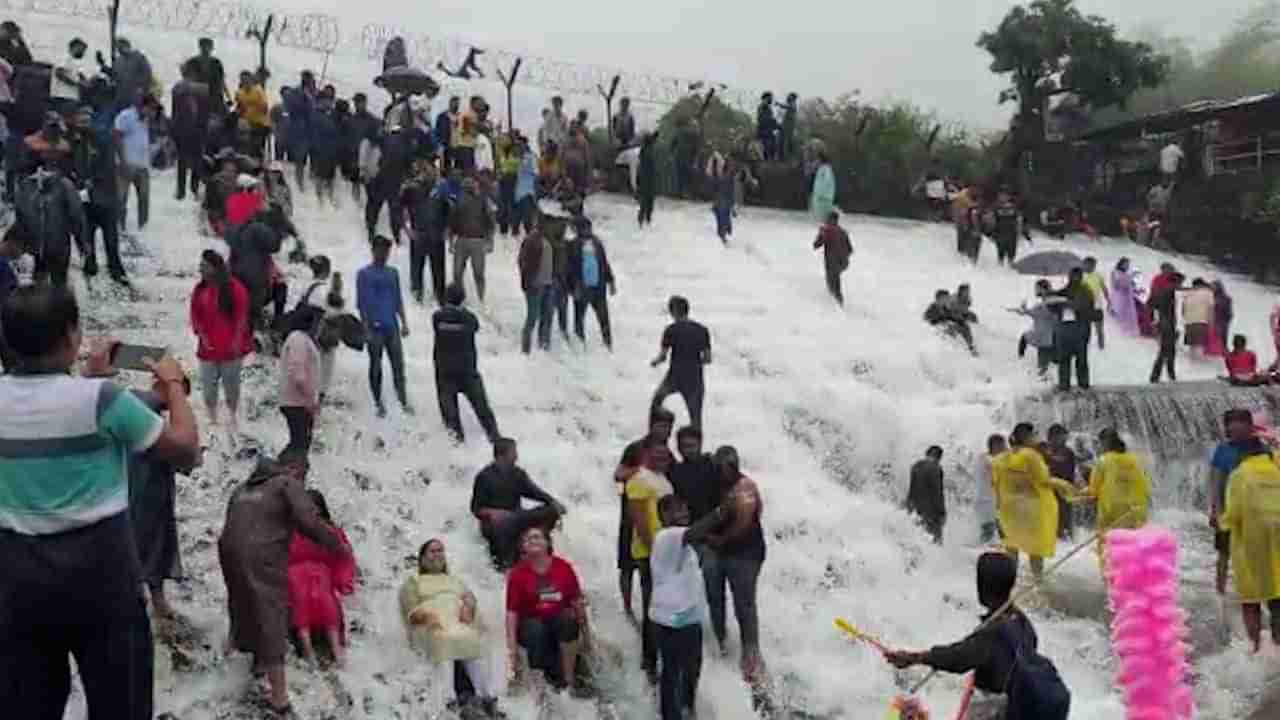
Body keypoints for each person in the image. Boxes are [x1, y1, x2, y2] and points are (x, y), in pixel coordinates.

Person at [0, 284, 199, 720]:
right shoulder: (102, 401)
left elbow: (44, 406)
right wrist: (174, 386)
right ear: (71, 336)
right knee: (120, 703)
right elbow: (185, 449)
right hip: (101, 580)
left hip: (18, 581)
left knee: (26, 705)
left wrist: (87, 376)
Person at [219, 452, 349, 714]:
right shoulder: (286, 484)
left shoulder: (241, 490)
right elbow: (309, 520)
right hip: (262, 554)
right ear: (289, 468)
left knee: (242, 604)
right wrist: (336, 545)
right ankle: (279, 698)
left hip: (228, 551)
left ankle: (244, 665)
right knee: (271, 613)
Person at [884, 553, 1071, 719]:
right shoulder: (1021, 621)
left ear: (983, 585)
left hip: (998, 711)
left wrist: (913, 658)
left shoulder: (992, 633)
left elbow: (957, 659)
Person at [400, 539, 505, 716]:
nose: (437, 555)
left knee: (471, 638)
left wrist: (469, 606)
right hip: (430, 627)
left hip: (455, 623)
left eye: (440, 551)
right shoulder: (413, 581)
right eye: (432, 551)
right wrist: (426, 616)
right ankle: (447, 701)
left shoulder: (455, 580)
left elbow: (470, 599)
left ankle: (486, 697)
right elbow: (410, 610)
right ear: (423, 558)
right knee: (444, 640)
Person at [650, 494, 729, 720]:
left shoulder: (683, 544)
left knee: (692, 669)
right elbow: (695, 531)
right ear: (664, 516)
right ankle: (671, 715)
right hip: (671, 620)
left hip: (689, 618)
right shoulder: (667, 536)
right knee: (672, 673)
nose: (684, 513)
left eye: (685, 509)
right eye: (678, 510)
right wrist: (722, 511)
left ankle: (687, 709)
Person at [128, 390, 195, 620]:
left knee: (148, 551)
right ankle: (152, 600)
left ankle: (154, 599)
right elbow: (190, 460)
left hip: (148, 506)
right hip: (146, 507)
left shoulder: (131, 438)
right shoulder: (151, 439)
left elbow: (187, 461)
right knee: (151, 551)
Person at [704, 446, 767, 682]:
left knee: (744, 603)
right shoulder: (716, 483)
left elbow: (744, 522)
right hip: (721, 551)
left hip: (745, 553)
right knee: (715, 597)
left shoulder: (745, 487)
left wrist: (719, 539)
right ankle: (721, 642)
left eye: (728, 468)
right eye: (719, 468)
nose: (723, 472)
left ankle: (751, 653)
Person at [505, 526, 587, 691]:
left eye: (537, 537)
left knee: (568, 621)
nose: (533, 541)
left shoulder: (563, 567)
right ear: (523, 547)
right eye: (528, 539)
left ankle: (568, 678)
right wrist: (512, 648)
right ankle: (539, 684)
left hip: (557, 619)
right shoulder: (517, 574)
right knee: (536, 630)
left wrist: (587, 637)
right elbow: (511, 613)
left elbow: (577, 601)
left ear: (547, 542)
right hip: (531, 623)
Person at [1219, 435, 1280, 653]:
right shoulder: (1276, 470)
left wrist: (1221, 523)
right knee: (1277, 598)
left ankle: (1255, 648)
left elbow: (1233, 513)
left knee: (1251, 600)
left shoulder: (1240, 475)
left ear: (1242, 454)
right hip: (1277, 547)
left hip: (1250, 548)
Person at [615, 409, 675, 623]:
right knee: (626, 565)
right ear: (651, 426)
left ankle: (650, 611)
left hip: (657, 519)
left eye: (667, 426)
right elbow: (618, 475)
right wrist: (639, 473)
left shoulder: (668, 452)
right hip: (631, 514)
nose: (664, 430)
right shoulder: (636, 448)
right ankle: (627, 607)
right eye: (660, 425)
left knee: (647, 573)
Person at [995, 423, 1075, 579]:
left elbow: (997, 482)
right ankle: (1037, 581)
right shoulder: (1030, 456)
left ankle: (1012, 581)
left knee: (1012, 546)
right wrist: (1064, 485)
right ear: (1026, 436)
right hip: (1031, 509)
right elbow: (1044, 480)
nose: (1036, 438)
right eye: (1034, 435)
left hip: (1010, 509)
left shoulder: (1002, 457)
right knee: (1035, 549)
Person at [471, 438, 566, 568]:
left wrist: (553, 502)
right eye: (514, 452)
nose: (516, 456)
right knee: (507, 523)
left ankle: (546, 558)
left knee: (551, 510)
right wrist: (493, 512)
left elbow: (534, 492)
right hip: (495, 525)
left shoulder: (517, 473)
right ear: (502, 455)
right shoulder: (484, 476)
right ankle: (506, 566)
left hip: (517, 517)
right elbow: (476, 508)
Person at [287, 489, 355, 666]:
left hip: (321, 574)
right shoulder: (287, 531)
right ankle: (307, 648)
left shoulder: (329, 531)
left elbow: (344, 557)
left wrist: (343, 582)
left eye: (314, 508)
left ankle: (336, 648)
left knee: (327, 602)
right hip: (295, 576)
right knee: (300, 600)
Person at [627, 446, 676, 683]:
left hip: (667, 551)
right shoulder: (639, 480)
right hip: (649, 553)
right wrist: (654, 549)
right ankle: (649, 661)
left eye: (664, 456)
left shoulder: (663, 481)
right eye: (655, 455)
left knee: (664, 605)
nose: (660, 459)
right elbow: (638, 520)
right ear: (647, 456)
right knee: (652, 607)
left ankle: (662, 656)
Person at [66, 106, 129, 285]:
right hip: (86, 203)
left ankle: (118, 278)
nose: (83, 125)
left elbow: (108, 167)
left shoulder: (103, 139)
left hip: (106, 201)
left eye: (86, 121)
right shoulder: (74, 141)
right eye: (80, 121)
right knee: (88, 248)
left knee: (112, 245)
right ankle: (90, 281)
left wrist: (91, 180)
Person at [191, 250, 251, 432]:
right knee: (209, 390)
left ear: (215, 268)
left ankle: (233, 420)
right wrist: (202, 336)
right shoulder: (200, 289)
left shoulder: (235, 289)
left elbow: (242, 318)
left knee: (231, 389)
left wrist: (236, 342)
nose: (200, 268)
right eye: (200, 265)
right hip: (207, 351)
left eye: (204, 266)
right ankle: (213, 421)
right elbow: (195, 316)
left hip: (231, 353)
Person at [432, 284, 500, 443]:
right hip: (467, 370)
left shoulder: (437, 317)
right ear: (463, 299)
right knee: (482, 409)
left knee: (450, 415)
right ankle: (495, 438)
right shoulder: (469, 318)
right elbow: (475, 327)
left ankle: (457, 443)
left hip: (445, 371)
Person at [357, 235, 410, 417]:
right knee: (376, 366)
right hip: (374, 327)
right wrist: (365, 328)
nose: (384, 254)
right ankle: (378, 403)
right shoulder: (364, 274)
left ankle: (403, 401)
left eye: (387, 251)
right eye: (381, 250)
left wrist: (404, 323)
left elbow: (398, 299)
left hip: (392, 326)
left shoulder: (393, 273)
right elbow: (361, 303)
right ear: (373, 250)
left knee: (398, 366)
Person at [1210, 409, 1255, 596]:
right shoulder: (1223, 450)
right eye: (1232, 424)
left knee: (1253, 553)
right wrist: (1215, 511)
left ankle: (1252, 590)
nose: (1235, 428)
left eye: (1240, 423)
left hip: (1255, 511)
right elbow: (1216, 482)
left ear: (1249, 426)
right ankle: (1220, 592)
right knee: (1224, 553)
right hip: (1228, 510)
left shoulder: (1261, 448)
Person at [651, 296, 711, 429]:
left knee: (657, 401)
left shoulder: (671, 330)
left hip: (674, 377)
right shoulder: (702, 330)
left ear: (673, 311)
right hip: (695, 379)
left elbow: (662, 357)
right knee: (696, 419)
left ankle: (655, 433)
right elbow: (707, 359)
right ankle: (696, 445)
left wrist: (654, 362)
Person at [1084, 428, 1150, 544]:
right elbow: (1144, 485)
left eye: (1099, 443)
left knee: (1109, 551)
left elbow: (1093, 491)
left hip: (1111, 514)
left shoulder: (1102, 461)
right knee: (1131, 549)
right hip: (1134, 512)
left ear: (1104, 442)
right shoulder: (1134, 460)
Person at [403, 161, 451, 305]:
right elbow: (403, 209)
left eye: (432, 170)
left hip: (436, 234)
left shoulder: (441, 190)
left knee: (438, 268)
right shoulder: (412, 188)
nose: (429, 173)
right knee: (417, 266)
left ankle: (440, 295)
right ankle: (417, 293)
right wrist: (407, 229)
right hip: (419, 233)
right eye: (426, 170)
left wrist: (447, 230)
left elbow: (448, 211)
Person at [566, 217, 616, 350]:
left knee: (603, 317)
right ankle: (581, 345)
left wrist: (611, 281)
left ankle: (608, 344)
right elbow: (570, 269)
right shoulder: (573, 245)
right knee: (579, 318)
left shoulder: (597, 242)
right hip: (582, 287)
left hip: (598, 287)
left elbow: (604, 263)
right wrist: (572, 288)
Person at [279, 305, 322, 454]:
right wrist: (310, 401)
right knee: (299, 445)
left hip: (298, 402)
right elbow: (298, 375)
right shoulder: (298, 340)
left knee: (299, 444)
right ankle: (282, 472)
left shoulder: (300, 339)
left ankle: (284, 471)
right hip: (297, 403)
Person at [113, 93, 156, 233]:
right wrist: (123, 161)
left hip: (142, 166)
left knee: (144, 199)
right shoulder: (126, 116)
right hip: (125, 164)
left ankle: (143, 230)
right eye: (150, 108)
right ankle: (120, 230)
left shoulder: (147, 120)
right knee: (121, 199)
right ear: (142, 106)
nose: (152, 112)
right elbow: (116, 137)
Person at [450, 175, 495, 302]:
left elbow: (490, 221)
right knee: (457, 273)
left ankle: (481, 299)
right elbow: (452, 221)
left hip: (477, 240)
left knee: (478, 273)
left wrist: (490, 241)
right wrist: (451, 240)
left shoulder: (482, 200)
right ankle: (460, 298)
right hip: (463, 239)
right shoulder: (458, 202)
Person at [172, 66, 212, 201]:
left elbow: (175, 111)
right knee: (197, 159)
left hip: (184, 128)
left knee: (183, 160)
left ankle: (182, 190)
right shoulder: (203, 88)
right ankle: (193, 188)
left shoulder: (178, 87)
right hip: (197, 129)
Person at [1052, 268, 1095, 392]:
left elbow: (1085, 307)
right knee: (1064, 359)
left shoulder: (1086, 291)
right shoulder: (1063, 291)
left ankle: (1083, 385)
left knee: (1081, 360)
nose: (1074, 279)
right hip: (1064, 330)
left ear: (1080, 277)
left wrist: (1069, 303)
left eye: (1076, 277)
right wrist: (1052, 296)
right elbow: (1052, 307)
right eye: (1072, 276)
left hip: (1079, 329)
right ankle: (1064, 386)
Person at [1013, 279, 1063, 377]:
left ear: (1043, 289)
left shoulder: (1050, 303)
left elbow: (1042, 312)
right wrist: (1023, 310)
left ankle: (1020, 361)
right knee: (1047, 366)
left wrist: (1024, 310)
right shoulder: (1046, 303)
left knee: (1045, 365)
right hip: (1046, 337)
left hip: (1046, 338)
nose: (1035, 291)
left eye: (1037, 288)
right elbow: (1033, 312)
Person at [518, 227, 555, 354]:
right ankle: (526, 348)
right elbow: (522, 261)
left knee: (547, 316)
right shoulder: (531, 240)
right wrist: (528, 280)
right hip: (535, 285)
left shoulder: (551, 239)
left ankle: (544, 346)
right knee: (532, 317)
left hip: (549, 284)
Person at [1043, 424, 1079, 541]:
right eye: (1061, 437)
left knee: (1065, 525)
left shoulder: (1067, 452)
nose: (1065, 439)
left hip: (1064, 495)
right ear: (1051, 437)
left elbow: (1061, 464)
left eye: (1064, 437)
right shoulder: (1045, 452)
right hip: (1048, 495)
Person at [1149, 271, 1184, 383]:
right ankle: (1157, 376)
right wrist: (1157, 322)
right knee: (1165, 351)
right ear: (1175, 282)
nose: (1180, 286)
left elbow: (1151, 305)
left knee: (1169, 351)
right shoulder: (1167, 292)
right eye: (1180, 283)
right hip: (1166, 325)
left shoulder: (1168, 291)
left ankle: (1169, 374)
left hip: (1168, 324)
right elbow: (1153, 305)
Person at [906, 446, 946, 543]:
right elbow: (938, 492)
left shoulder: (916, 466)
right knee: (935, 541)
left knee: (917, 539)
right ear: (939, 457)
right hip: (931, 511)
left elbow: (911, 489)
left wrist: (909, 507)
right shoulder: (936, 468)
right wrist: (942, 512)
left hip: (915, 508)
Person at [813, 211, 853, 305]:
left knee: (832, 285)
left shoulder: (827, 230)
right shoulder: (843, 232)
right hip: (843, 262)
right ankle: (838, 305)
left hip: (832, 263)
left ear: (831, 219)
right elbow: (850, 250)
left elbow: (816, 245)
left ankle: (836, 308)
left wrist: (820, 233)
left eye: (827, 219)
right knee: (836, 284)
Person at [925, 289, 976, 355]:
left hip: (948, 326)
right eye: (943, 298)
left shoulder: (947, 307)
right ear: (938, 299)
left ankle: (970, 347)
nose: (946, 300)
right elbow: (927, 319)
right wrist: (938, 322)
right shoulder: (933, 308)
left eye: (947, 298)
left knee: (964, 327)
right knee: (951, 329)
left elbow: (954, 316)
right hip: (938, 329)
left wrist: (961, 319)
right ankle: (956, 349)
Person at [975, 435, 1006, 544]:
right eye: (1003, 445)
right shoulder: (987, 460)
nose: (1005, 448)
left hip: (989, 503)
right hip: (986, 503)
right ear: (995, 446)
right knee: (989, 533)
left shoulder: (982, 458)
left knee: (1003, 533)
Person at [183, 38, 228, 111]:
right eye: (204, 46)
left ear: (212, 48)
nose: (206, 49)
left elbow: (222, 81)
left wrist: (228, 97)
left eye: (209, 46)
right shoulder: (192, 62)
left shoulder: (216, 63)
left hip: (214, 96)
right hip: (197, 96)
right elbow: (187, 80)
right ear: (200, 47)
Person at [111, 39, 153, 115]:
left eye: (121, 47)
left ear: (128, 46)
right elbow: (115, 77)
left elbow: (148, 74)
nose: (119, 50)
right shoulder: (118, 61)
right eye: (118, 48)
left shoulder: (139, 57)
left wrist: (142, 89)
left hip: (136, 97)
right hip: (122, 97)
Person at [50, 38, 91, 115]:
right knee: (65, 121)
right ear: (75, 47)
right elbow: (59, 73)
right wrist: (77, 83)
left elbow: (76, 75)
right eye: (82, 50)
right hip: (63, 97)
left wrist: (84, 80)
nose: (83, 53)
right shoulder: (65, 57)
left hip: (70, 98)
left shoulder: (72, 61)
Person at [234, 71, 270, 159]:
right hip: (247, 124)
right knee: (248, 147)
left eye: (246, 80)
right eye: (243, 80)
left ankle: (260, 162)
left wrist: (255, 107)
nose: (245, 82)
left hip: (260, 124)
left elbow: (265, 107)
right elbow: (239, 108)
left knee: (257, 147)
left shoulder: (258, 90)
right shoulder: (239, 93)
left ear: (251, 80)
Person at [1080, 257, 1109, 350]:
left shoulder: (1098, 275)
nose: (1092, 267)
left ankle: (1102, 348)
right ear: (1084, 264)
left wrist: (1109, 301)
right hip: (1084, 307)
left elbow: (1104, 289)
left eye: (1093, 265)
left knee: (1099, 330)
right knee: (1084, 330)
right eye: (1089, 265)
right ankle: (1084, 347)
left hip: (1097, 307)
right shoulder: (1080, 276)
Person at [1182, 278, 1214, 358]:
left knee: (1192, 347)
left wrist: (1186, 319)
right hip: (1201, 322)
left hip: (1188, 323)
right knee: (1200, 346)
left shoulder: (1187, 294)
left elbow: (1183, 310)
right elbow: (1211, 308)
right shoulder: (1208, 293)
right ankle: (1199, 366)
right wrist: (1211, 323)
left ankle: (1191, 365)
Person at [1109, 257, 1139, 337]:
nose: (1127, 266)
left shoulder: (1126, 274)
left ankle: (1130, 332)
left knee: (1129, 316)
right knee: (1120, 316)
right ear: (1121, 264)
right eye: (1125, 264)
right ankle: (1121, 333)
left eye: (1128, 264)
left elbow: (1131, 285)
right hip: (1119, 297)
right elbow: (1116, 285)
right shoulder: (1115, 272)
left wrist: (1135, 288)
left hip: (1128, 298)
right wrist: (1126, 281)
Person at [637, 131, 658, 227]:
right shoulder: (647, 151)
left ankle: (643, 222)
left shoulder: (645, 150)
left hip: (645, 180)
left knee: (646, 203)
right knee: (647, 203)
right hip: (647, 181)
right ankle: (644, 221)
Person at [809, 149, 835, 222]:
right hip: (821, 198)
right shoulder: (822, 169)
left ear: (820, 160)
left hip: (823, 199)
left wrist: (819, 195)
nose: (815, 162)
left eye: (816, 160)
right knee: (821, 220)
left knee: (823, 220)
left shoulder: (825, 169)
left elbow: (826, 183)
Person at [435, 97, 459, 170]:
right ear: (450, 104)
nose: (455, 105)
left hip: (457, 146)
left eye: (457, 104)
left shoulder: (460, 117)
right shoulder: (442, 117)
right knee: (445, 167)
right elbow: (437, 131)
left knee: (456, 167)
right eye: (454, 103)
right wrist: (439, 144)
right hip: (445, 145)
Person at [1213, 280, 1234, 357]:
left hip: (1222, 321)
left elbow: (1229, 312)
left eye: (1214, 287)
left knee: (1222, 340)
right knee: (1221, 340)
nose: (1213, 289)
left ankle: (1225, 355)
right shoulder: (1225, 298)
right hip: (1220, 321)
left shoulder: (1225, 299)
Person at [756, 92, 779, 160]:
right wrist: (774, 123)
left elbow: (770, 119)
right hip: (764, 132)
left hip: (768, 132)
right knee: (767, 150)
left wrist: (776, 125)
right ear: (766, 98)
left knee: (772, 148)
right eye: (770, 98)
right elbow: (764, 119)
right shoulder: (763, 106)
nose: (771, 99)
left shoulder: (767, 107)